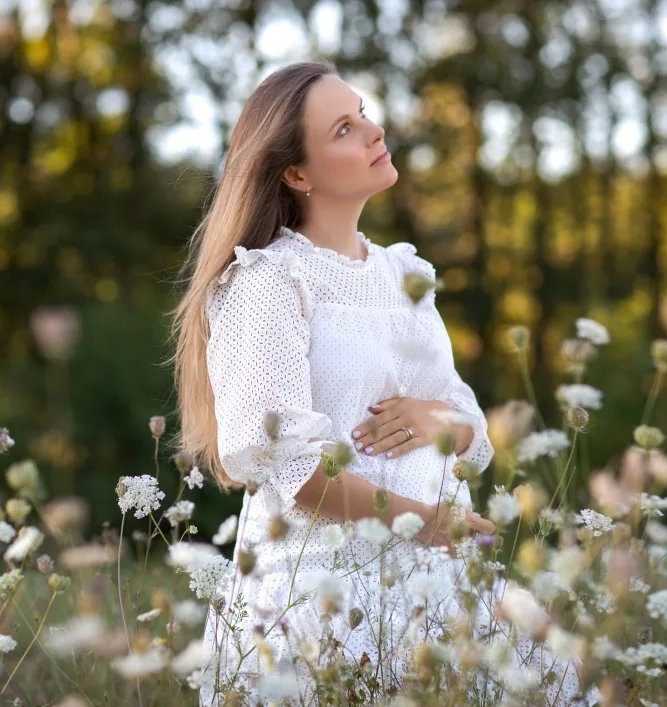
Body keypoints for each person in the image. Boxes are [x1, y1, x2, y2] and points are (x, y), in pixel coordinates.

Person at [171, 59, 594, 706]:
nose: (374, 130)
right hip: (320, 587)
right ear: (297, 172)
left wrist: (435, 421)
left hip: (434, 575)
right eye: (345, 127)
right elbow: (297, 473)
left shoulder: (403, 274)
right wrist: (425, 522)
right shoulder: (269, 282)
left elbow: (471, 433)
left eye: (363, 111)